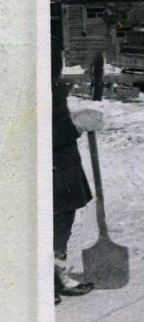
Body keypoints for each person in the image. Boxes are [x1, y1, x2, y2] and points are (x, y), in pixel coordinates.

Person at [51, 43, 96, 305]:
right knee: (56, 229)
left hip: (59, 166)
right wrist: (77, 125)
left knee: (57, 228)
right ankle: (52, 282)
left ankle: (56, 279)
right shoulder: (47, 87)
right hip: (56, 170)